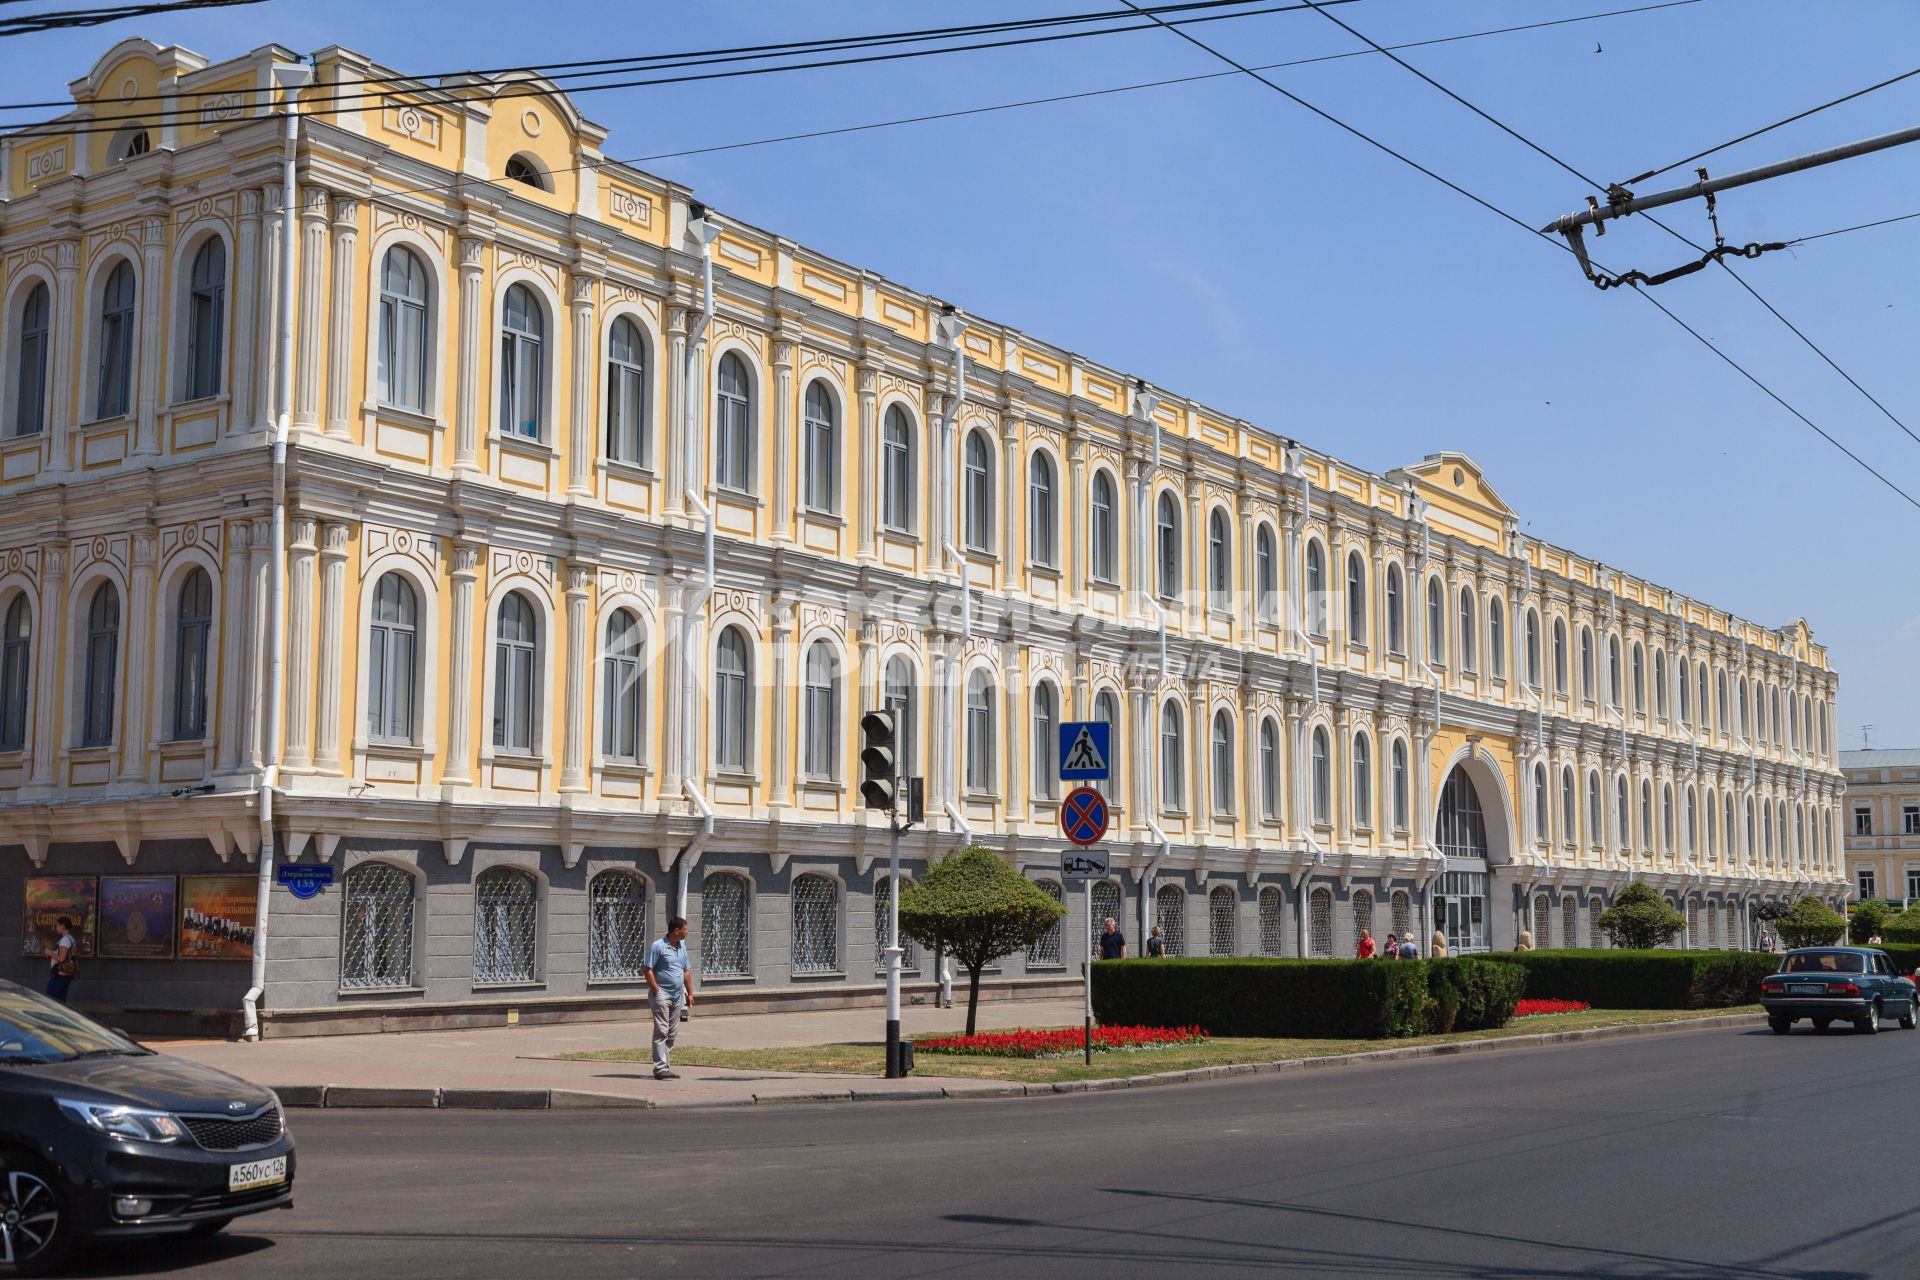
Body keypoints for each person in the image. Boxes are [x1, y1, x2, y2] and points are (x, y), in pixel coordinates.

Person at [645, 915, 695, 1080]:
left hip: (677, 995)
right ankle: (659, 1069)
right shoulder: (658, 946)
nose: (686, 933)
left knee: (672, 1033)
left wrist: (690, 993)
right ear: (676, 930)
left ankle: (665, 1066)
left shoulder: (682, 947)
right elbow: (647, 969)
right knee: (661, 1031)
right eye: (685, 930)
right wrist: (656, 990)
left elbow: (686, 971)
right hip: (662, 995)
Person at [43, 916, 77, 1004]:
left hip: (60, 974)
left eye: (57, 925)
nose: (56, 928)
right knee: (60, 1002)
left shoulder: (65, 940)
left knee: (49, 1000)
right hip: (66, 974)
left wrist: (49, 952)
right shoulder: (71, 939)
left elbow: (61, 958)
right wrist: (52, 953)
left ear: (63, 926)